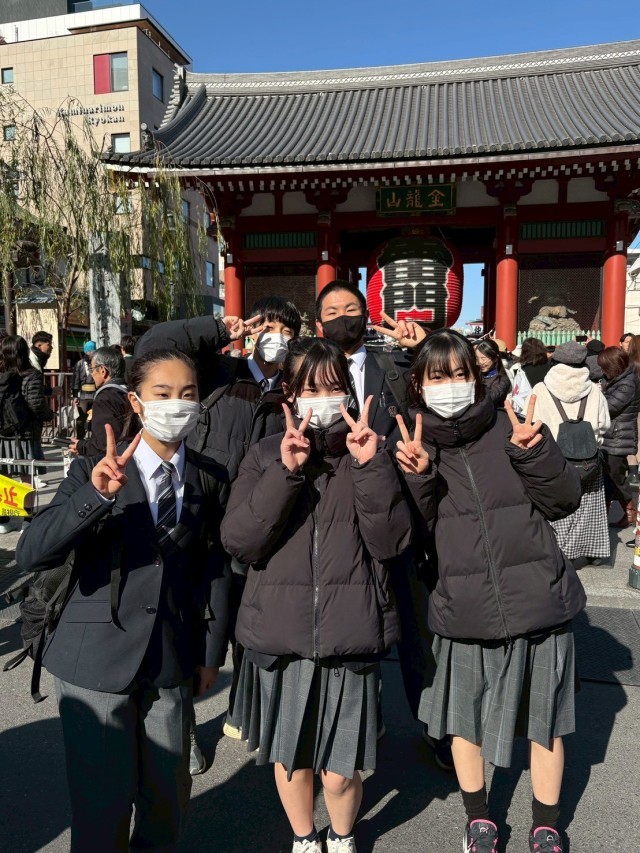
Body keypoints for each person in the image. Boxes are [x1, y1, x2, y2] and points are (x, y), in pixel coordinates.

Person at [16, 348, 229, 852]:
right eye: (162, 393)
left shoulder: (210, 475)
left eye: (187, 394)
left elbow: (215, 570)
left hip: (171, 657)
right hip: (94, 660)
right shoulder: (89, 468)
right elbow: (32, 551)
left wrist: (210, 654)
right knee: (101, 807)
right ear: (136, 401)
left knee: (167, 801)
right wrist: (95, 496)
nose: (176, 404)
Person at [221, 338, 413, 853]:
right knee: (292, 760)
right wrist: (286, 473)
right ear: (288, 394)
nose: (321, 399)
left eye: (332, 387)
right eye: (309, 388)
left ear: (349, 392)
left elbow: (391, 542)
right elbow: (240, 541)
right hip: (280, 637)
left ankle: (343, 835)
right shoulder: (265, 454)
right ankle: (305, 837)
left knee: (341, 772)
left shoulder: (370, 453)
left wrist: (371, 467)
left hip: (352, 633)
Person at [397, 329, 585, 853]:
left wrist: (536, 452)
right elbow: (410, 535)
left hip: (537, 596)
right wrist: (420, 478)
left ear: (478, 378)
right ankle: (479, 820)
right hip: (464, 605)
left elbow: (565, 500)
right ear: (418, 385)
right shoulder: (413, 446)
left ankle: (546, 825)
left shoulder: (511, 424)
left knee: (545, 723)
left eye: (461, 374)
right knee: (465, 723)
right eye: (438, 377)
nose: (451, 385)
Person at [136, 296, 301, 767]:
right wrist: (215, 329)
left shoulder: (292, 390)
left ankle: (246, 711)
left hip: (255, 528)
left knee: (250, 627)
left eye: (286, 331)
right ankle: (185, 725)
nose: (275, 338)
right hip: (199, 520)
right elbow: (154, 345)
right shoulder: (217, 372)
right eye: (267, 326)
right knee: (191, 624)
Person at [317, 281, 454, 770]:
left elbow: (462, 380)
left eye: (351, 308)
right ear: (319, 324)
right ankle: (358, 724)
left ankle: (433, 725)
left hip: (397, 512)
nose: (343, 317)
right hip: (335, 519)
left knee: (417, 627)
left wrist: (424, 347)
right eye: (332, 311)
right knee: (350, 628)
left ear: (366, 314)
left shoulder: (394, 367)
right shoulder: (306, 371)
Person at [530, 341, 611, 565]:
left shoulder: (541, 388)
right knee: (589, 506)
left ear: (555, 361)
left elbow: (533, 422)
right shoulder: (593, 390)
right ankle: (591, 551)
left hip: (552, 456)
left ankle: (561, 550)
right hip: (588, 458)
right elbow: (604, 424)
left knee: (558, 505)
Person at [597, 346, 640, 529]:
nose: (602, 370)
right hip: (612, 435)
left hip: (619, 436)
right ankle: (605, 514)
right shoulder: (615, 378)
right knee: (608, 475)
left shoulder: (627, 383)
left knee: (615, 476)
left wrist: (597, 395)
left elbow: (609, 406)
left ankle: (631, 511)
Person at [69, 347, 130, 458]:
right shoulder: (128, 392)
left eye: (92, 369)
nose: (91, 374)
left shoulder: (105, 398)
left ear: (102, 370)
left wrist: (81, 446)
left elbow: (103, 444)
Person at [72, 341, 97, 440]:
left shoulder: (97, 363)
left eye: (94, 351)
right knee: (80, 419)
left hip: (95, 395)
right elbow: (75, 381)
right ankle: (80, 440)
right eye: (91, 351)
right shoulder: (79, 364)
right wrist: (75, 396)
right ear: (87, 352)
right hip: (83, 396)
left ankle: (95, 440)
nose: (92, 353)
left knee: (96, 418)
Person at [474, 339, 511, 405]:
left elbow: (490, 398)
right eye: (477, 358)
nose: (479, 362)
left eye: (483, 358)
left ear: (495, 358)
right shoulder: (476, 374)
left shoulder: (502, 379)